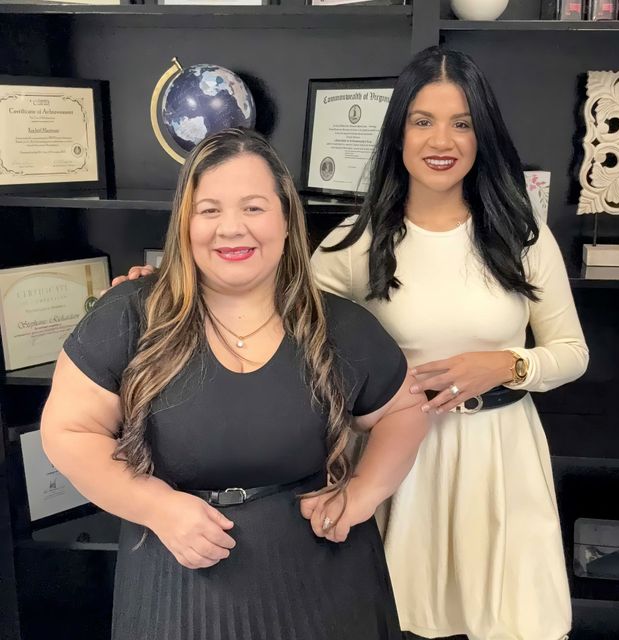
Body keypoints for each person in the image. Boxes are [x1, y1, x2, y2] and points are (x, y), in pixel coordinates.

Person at [114, 46, 589, 640]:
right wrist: (165, 287)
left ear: (482, 133)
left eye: (461, 122)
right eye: (422, 121)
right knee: (403, 616)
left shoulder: (521, 234)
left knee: (514, 621)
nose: (441, 139)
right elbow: (269, 311)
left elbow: (571, 353)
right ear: (398, 134)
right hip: (398, 463)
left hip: (500, 456)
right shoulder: (351, 244)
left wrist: (508, 364)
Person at [40, 128, 429, 640]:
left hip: (325, 590)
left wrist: (363, 493)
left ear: (287, 220)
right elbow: (68, 432)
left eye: (253, 208)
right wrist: (154, 506)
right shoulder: (130, 316)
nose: (231, 229)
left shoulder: (340, 326)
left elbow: (405, 411)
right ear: (185, 222)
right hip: (177, 583)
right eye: (209, 210)